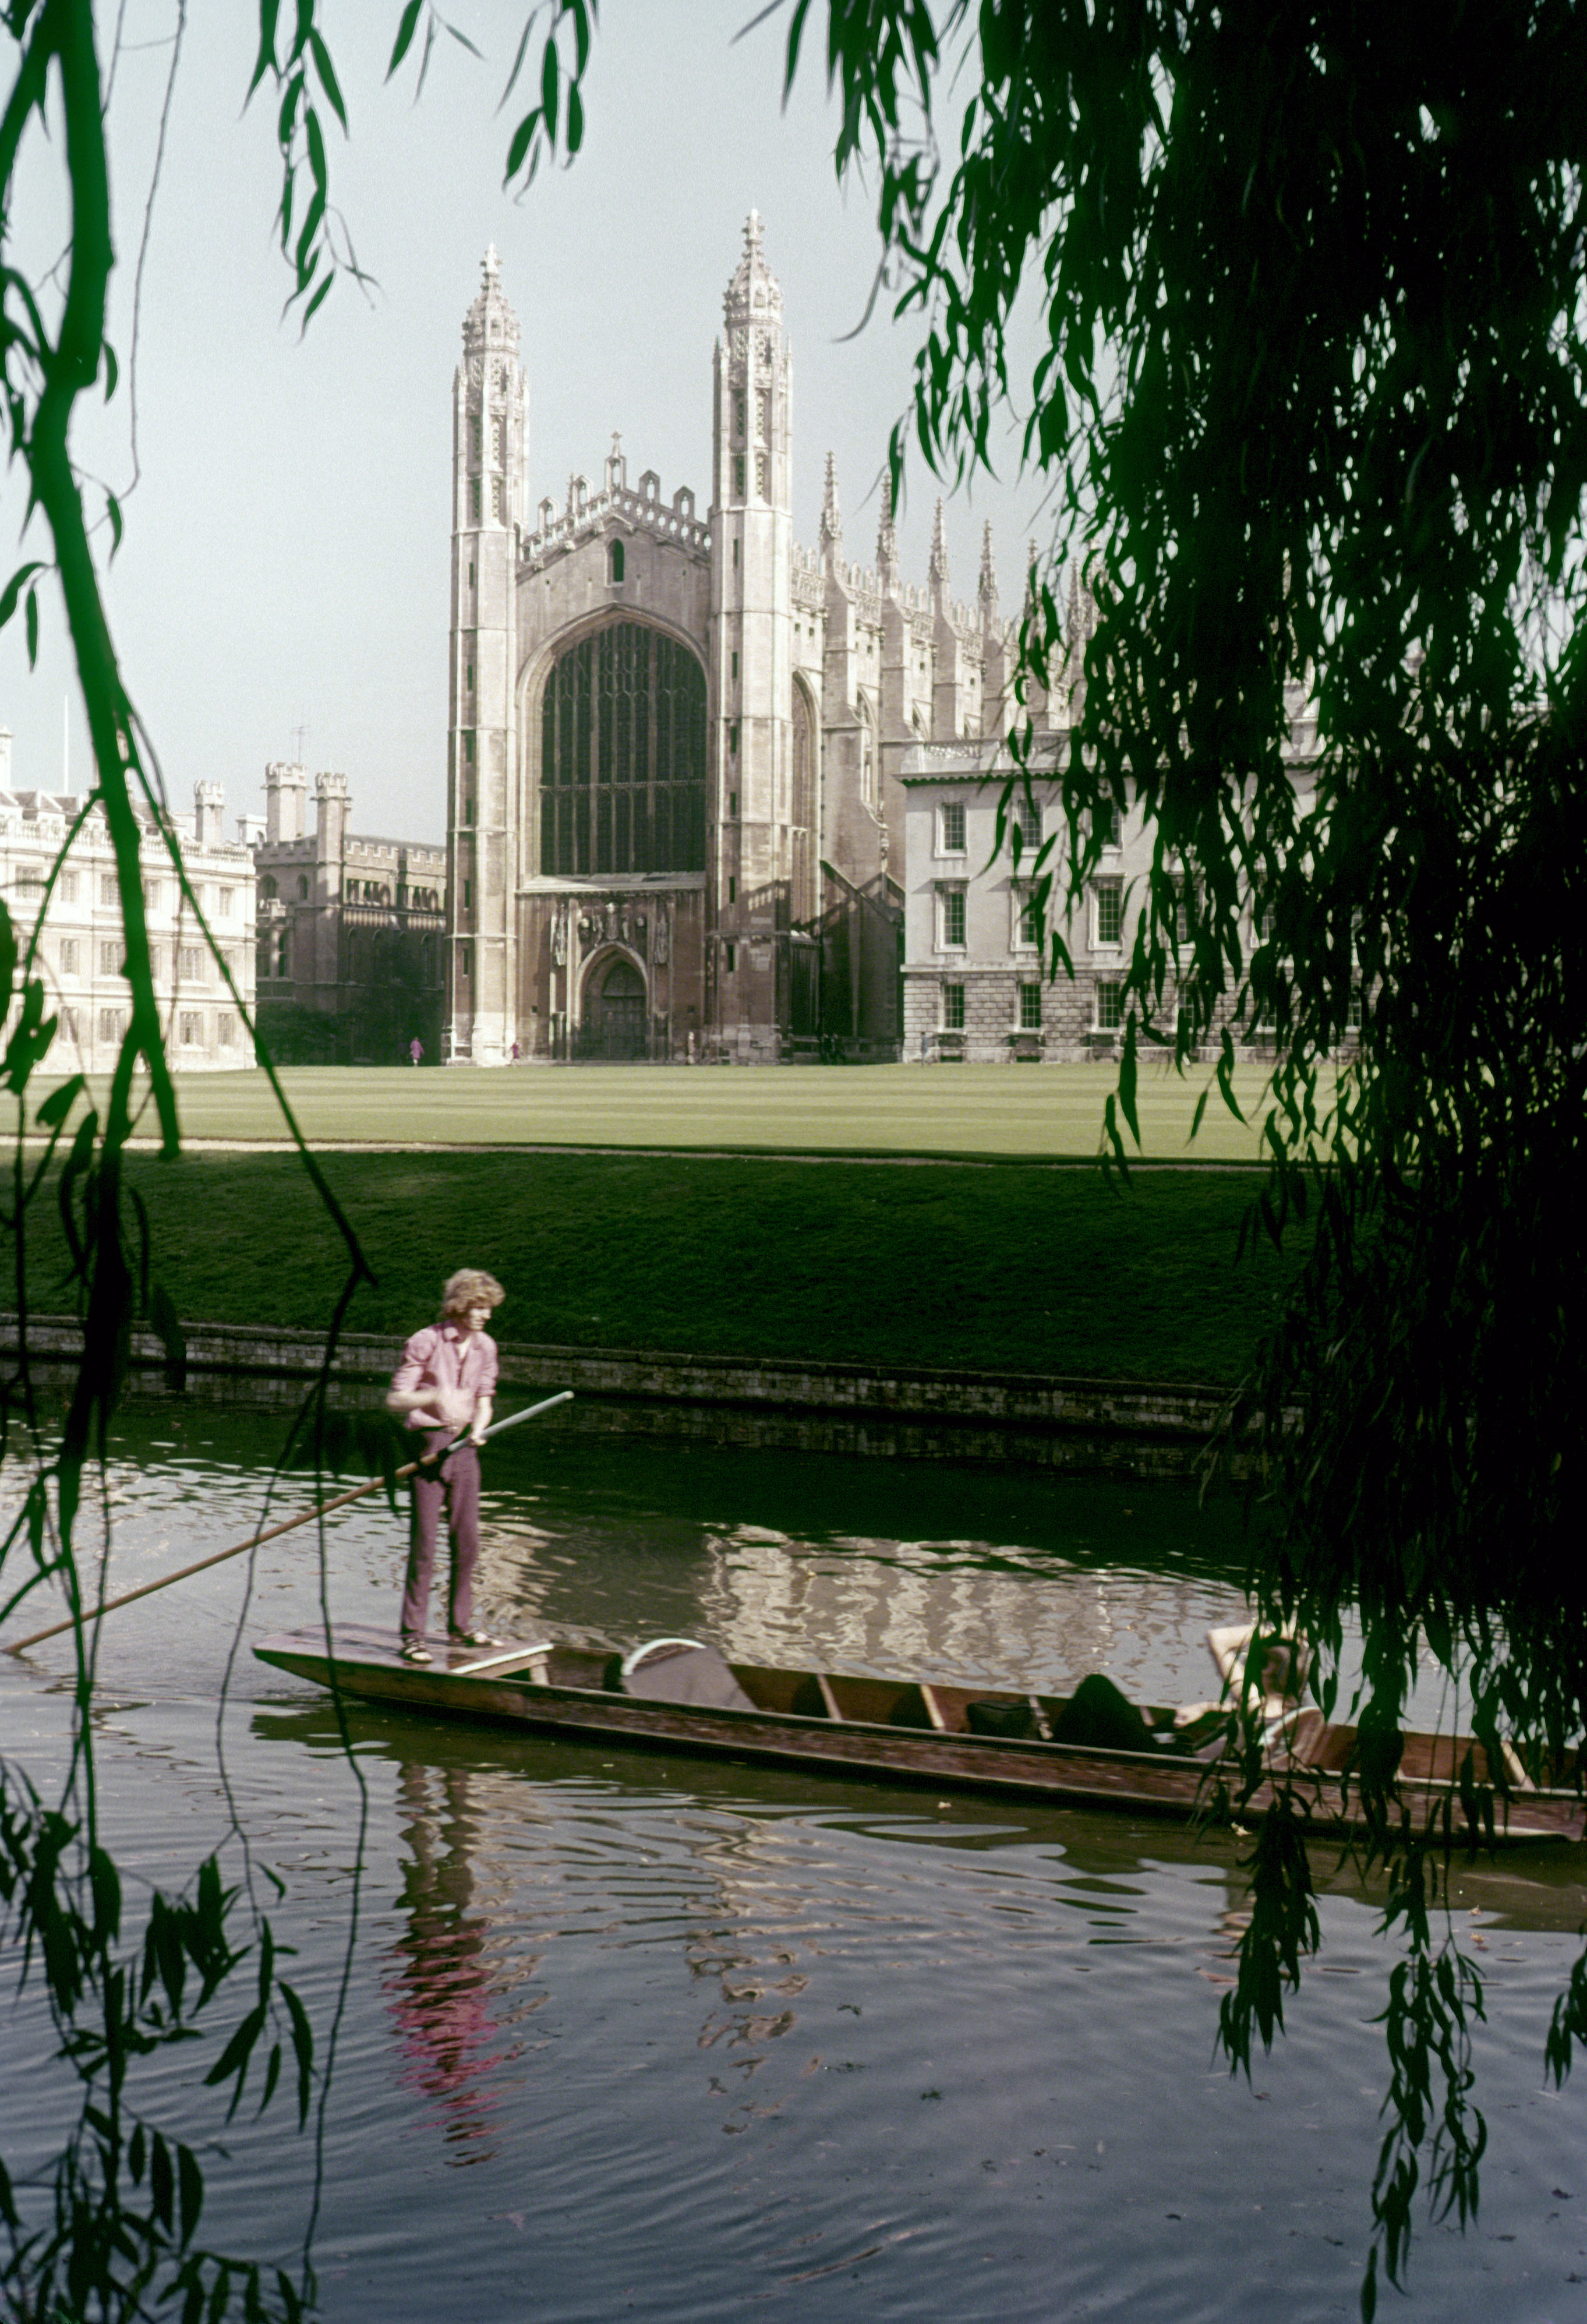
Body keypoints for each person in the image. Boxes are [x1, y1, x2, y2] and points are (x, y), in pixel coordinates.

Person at [387, 1269, 504, 1663]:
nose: (486, 1315)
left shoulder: (486, 1346)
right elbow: (396, 1400)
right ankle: (413, 1636)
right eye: (479, 1307)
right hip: (428, 1448)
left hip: (466, 1449)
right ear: (460, 1306)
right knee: (424, 1546)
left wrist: (480, 1429)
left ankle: (461, 1627)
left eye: (489, 1308)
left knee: (467, 1544)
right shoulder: (426, 1340)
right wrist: (436, 1395)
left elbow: (485, 1399)